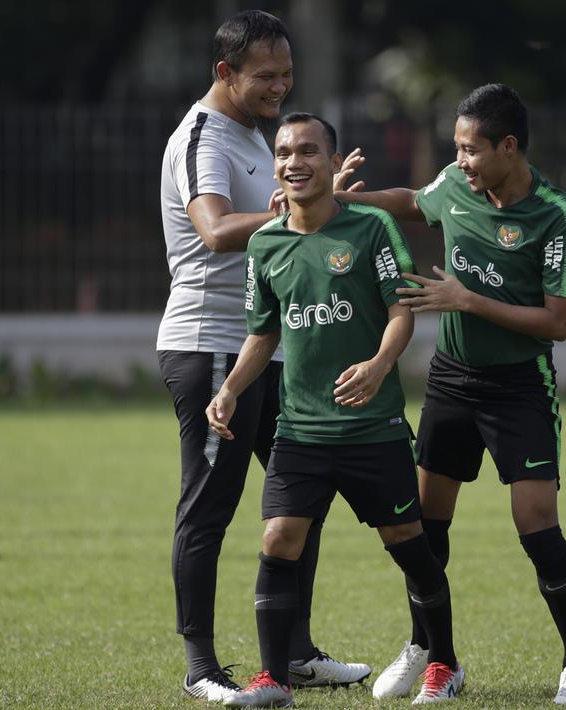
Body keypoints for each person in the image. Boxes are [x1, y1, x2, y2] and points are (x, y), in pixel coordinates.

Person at [332, 83, 566, 705]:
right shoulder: (457, 183)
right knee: (424, 526)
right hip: (452, 379)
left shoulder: (555, 215)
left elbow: (558, 323)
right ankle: (433, 654)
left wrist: (467, 299)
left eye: (471, 149)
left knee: (536, 526)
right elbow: (414, 200)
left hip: (520, 387)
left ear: (509, 146)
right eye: (456, 147)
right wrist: (349, 197)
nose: (460, 161)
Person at [208, 112, 463, 708]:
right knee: (278, 539)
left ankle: (444, 663)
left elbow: (402, 312)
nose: (294, 162)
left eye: (307, 151)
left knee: (408, 540)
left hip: (373, 429)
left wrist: (376, 368)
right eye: (284, 152)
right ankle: (273, 679)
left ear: (330, 160)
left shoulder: (370, 228)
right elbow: (263, 333)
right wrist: (231, 389)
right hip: (300, 430)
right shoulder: (265, 243)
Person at [157, 10, 367, 703]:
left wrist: (322, 204)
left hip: (271, 346)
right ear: (225, 73)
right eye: (266, 76)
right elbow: (215, 231)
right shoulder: (201, 137)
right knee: (210, 506)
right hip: (211, 345)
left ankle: (294, 653)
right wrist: (297, 211)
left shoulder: (254, 135)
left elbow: (290, 227)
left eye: (287, 74)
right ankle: (200, 668)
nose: (281, 86)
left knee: (300, 495)